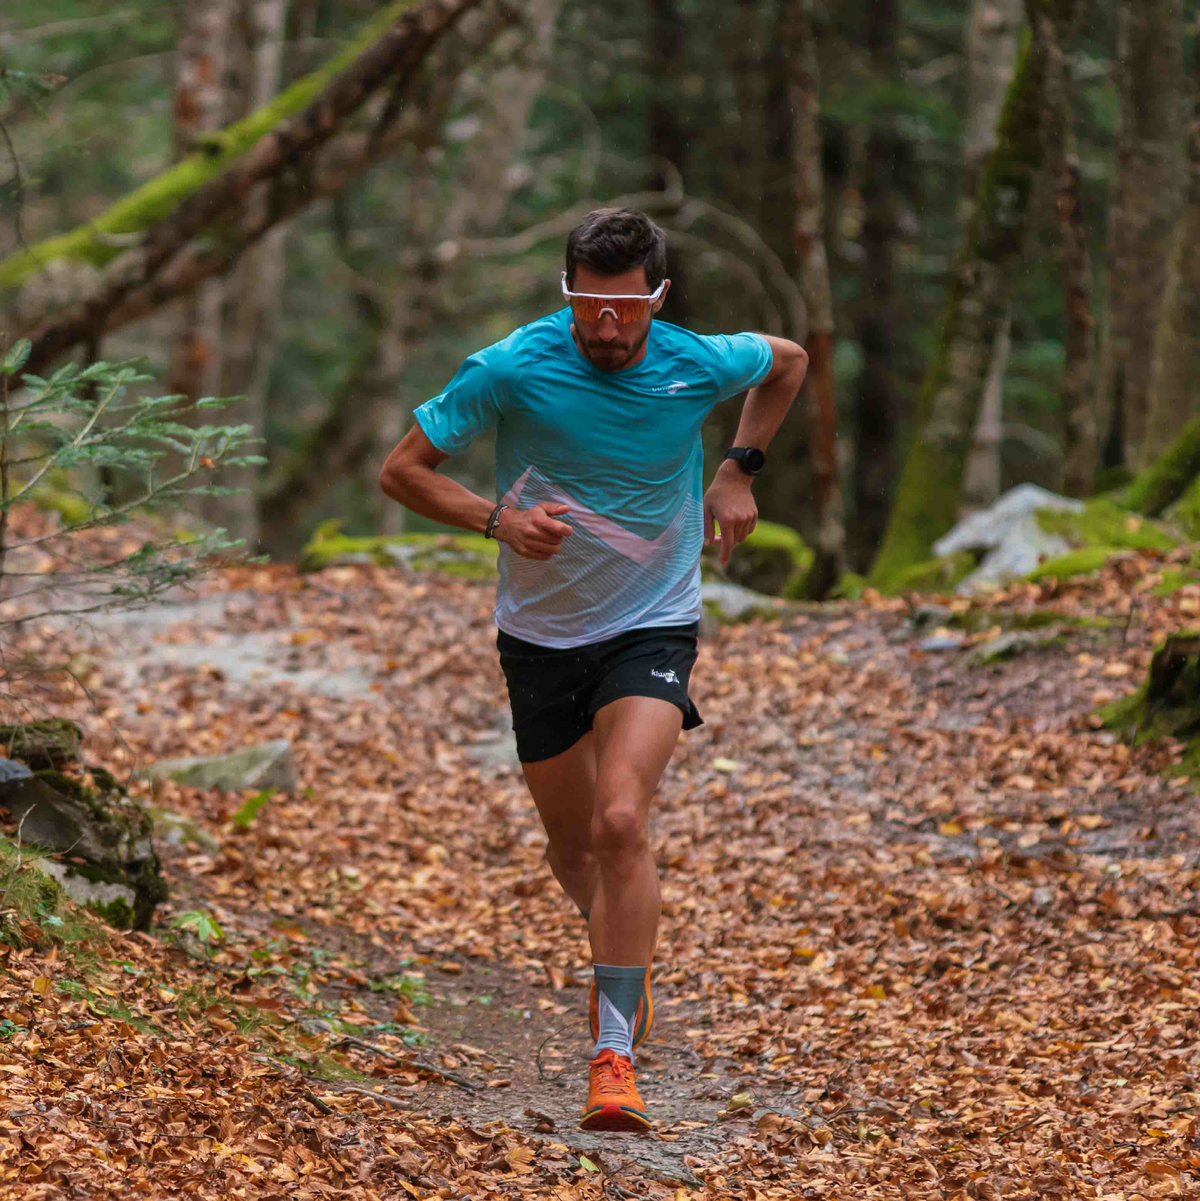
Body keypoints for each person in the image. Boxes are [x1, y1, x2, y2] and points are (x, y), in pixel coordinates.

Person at [380, 207, 807, 1132]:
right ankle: (628, 950)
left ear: (657, 297)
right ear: (566, 294)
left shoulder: (699, 357)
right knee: (573, 847)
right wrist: (495, 520)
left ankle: (613, 1048)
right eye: (587, 306)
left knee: (621, 818)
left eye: (624, 309)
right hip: (538, 634)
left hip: (653, 619)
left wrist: (738, 468)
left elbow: (789, 361)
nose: (605, 327)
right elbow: (403, 471)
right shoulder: (511, 367)